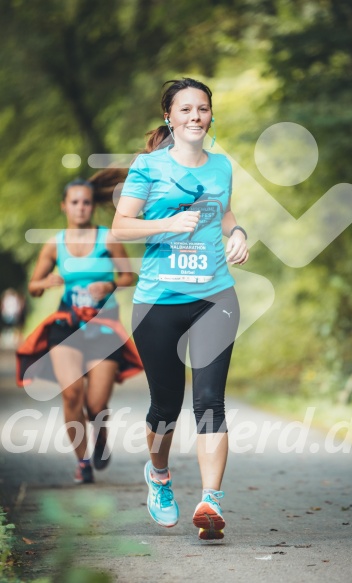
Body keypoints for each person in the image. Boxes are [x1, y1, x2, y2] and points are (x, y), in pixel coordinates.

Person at [112, 78, 249, 539]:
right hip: (158, 301)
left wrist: (237, 233)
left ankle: (211, 501)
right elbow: (121, 227)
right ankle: (160, 475)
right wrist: (168, 222)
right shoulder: (148, 166)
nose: (195, 116)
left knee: (210, 401)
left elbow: (223, 211)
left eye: (203, 109)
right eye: (186, 109)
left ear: (211, 116)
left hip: (214, 297)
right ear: (169, 117)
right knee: (165, 407)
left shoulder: (222, 166)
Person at [19, 177, 143, 484]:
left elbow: (131, 276)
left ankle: (100, 438)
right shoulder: (54, 244)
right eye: (74, 202)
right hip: (67, 326)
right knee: (72, 394)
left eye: (86, 202)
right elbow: (32, 287)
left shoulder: (108, 239)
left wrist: (111, 283)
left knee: (96, 405)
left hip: (103, 328)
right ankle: (83, 460)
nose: (81, 208)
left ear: (92, 206)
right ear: (64, 206)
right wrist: (44, 283)